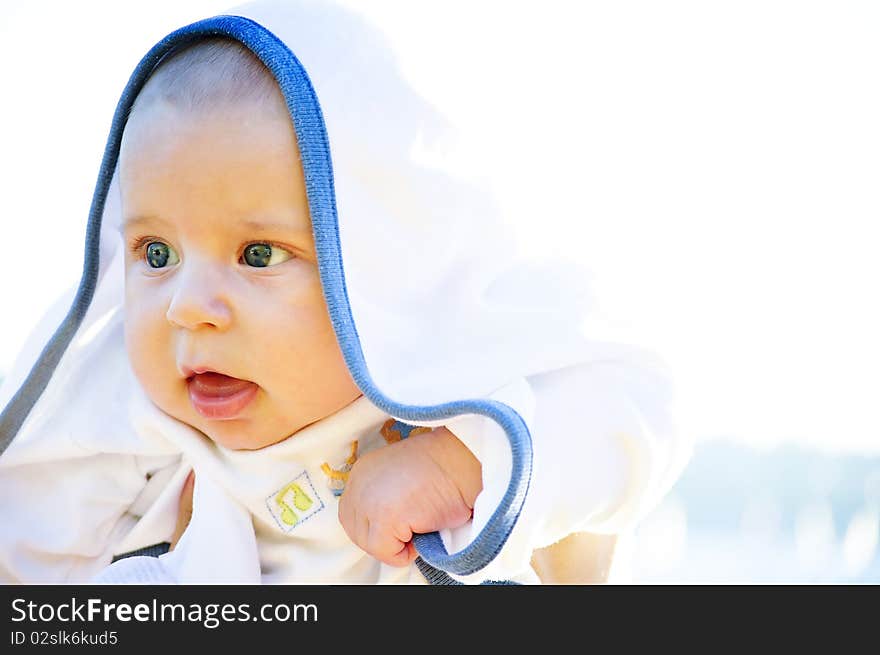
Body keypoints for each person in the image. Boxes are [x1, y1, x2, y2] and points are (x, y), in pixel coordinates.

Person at [0, 0, 691, 584]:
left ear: (370, 260)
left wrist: (465, 462)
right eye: (156, 254)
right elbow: (29, 537)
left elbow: (645, 398)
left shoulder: (461, 363)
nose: (185, 306)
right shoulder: (127, 420)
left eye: (258, 253)